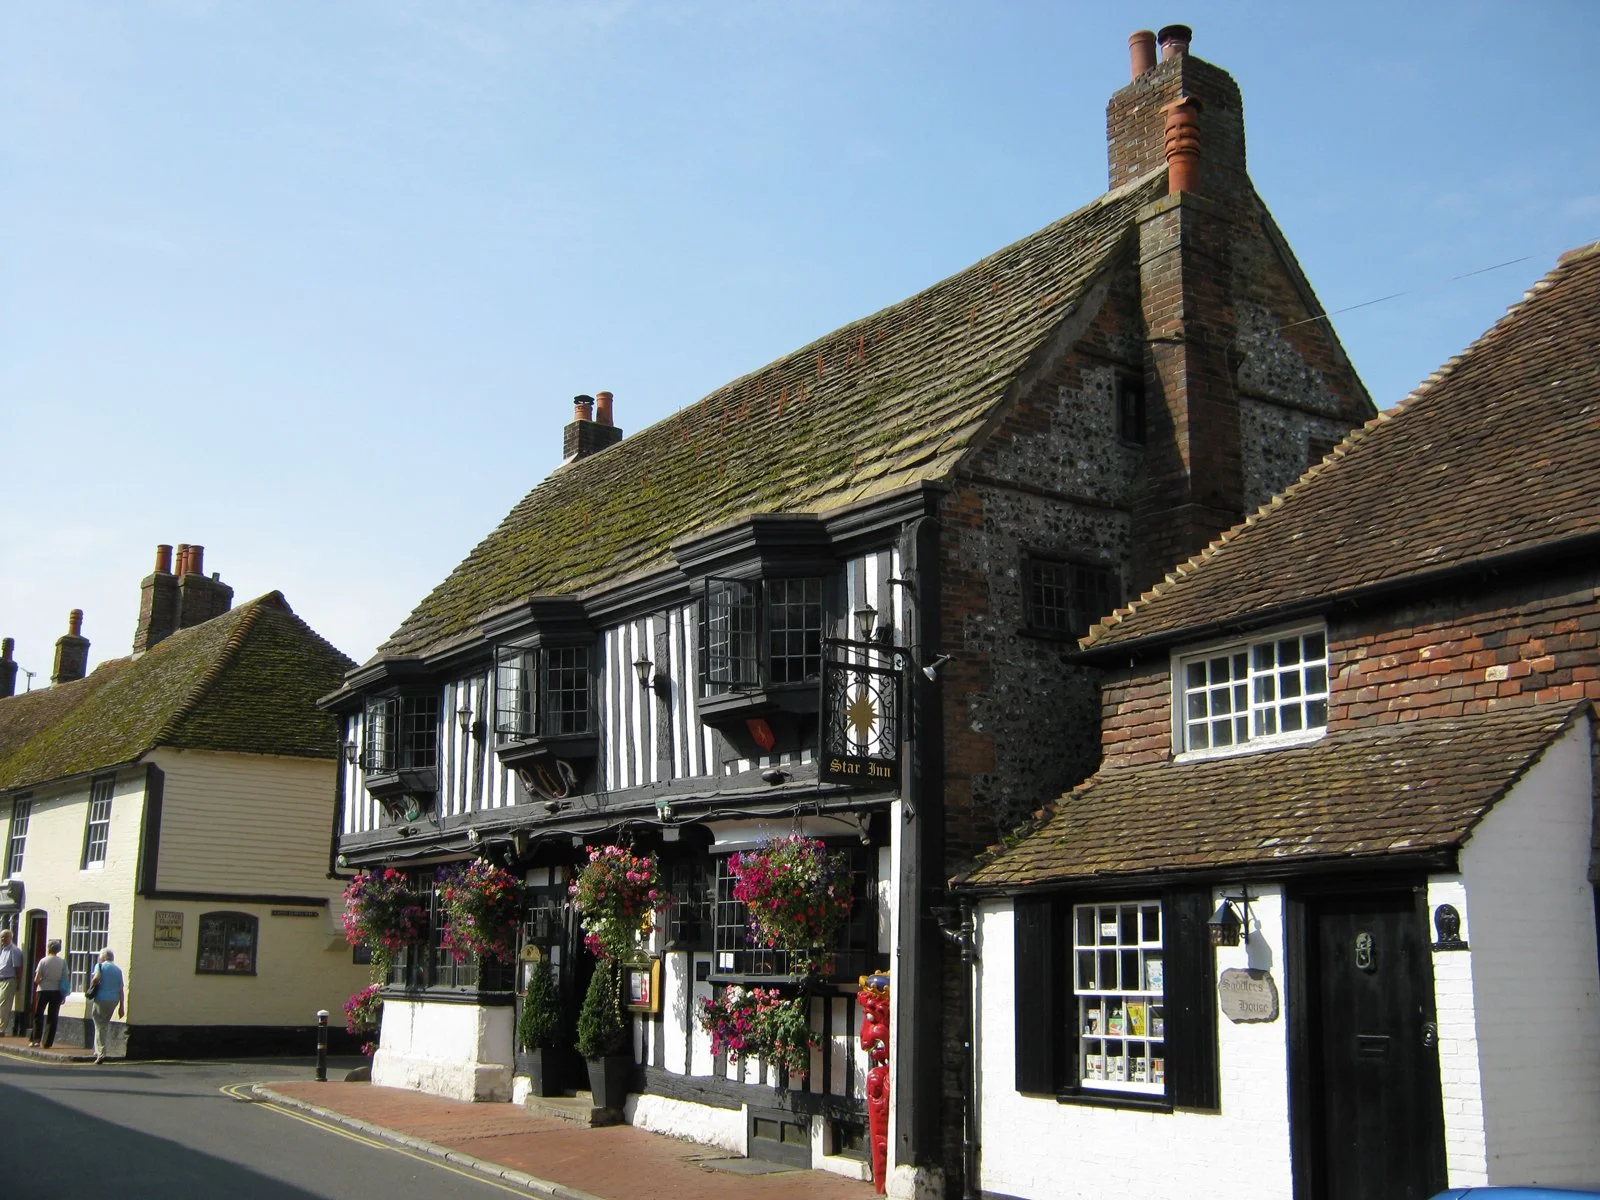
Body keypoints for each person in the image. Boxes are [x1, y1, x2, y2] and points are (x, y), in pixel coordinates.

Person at [86, 949, 124, 1064]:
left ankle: (101, 1053)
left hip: (101, 999)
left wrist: (93, 983)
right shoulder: (118, 970)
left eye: (99, 956)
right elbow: (121, 990)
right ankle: (97, 1050)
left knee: (99, 1025)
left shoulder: (100, 966)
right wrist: (122, 1007)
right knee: (103, 1024)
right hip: (114, 1000)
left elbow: (96, 978)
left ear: (103, 957)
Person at [30, 940, 68, 1048]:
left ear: (49, 948)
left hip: (43, 990)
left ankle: (36, 1040)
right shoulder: (63, 962)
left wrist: (42, 980)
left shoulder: (43, 961)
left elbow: (37, 979)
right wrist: (64, 994)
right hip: (57, 991)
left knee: (38, 1014)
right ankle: (47, 1042)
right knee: (53, 1016)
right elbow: (66, 978)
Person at [0, 929, 23, 1037]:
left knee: (4, 1006)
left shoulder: (14, 951)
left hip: (9, 980)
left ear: (11, 937)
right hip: (1, 980)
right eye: (1, 937)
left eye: (5, 936)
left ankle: (1, 1029)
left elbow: (18, 968)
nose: (2, 939)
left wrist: (18, 982)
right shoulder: (3, 950)